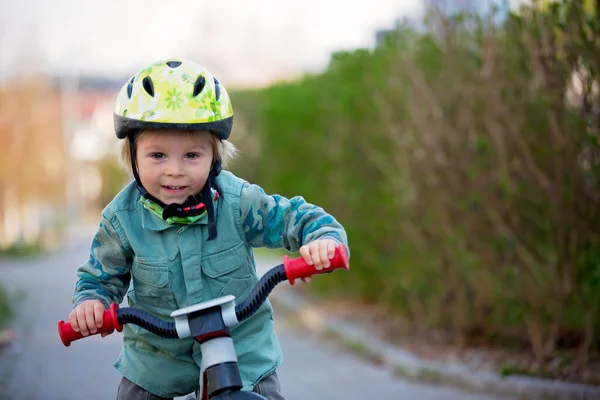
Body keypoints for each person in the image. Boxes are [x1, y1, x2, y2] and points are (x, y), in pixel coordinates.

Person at [68, 58, 349, 400]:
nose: (175, 170)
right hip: (157, 358)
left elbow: (293, 216)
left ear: (215, 156)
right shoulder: (122, 218)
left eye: (191, 155)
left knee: (262, 393)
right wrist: (91, 303)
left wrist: (321, 239)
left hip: (241, 351)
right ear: (132, 156)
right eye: (157, 155)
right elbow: (99, 277)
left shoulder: (237, 202)